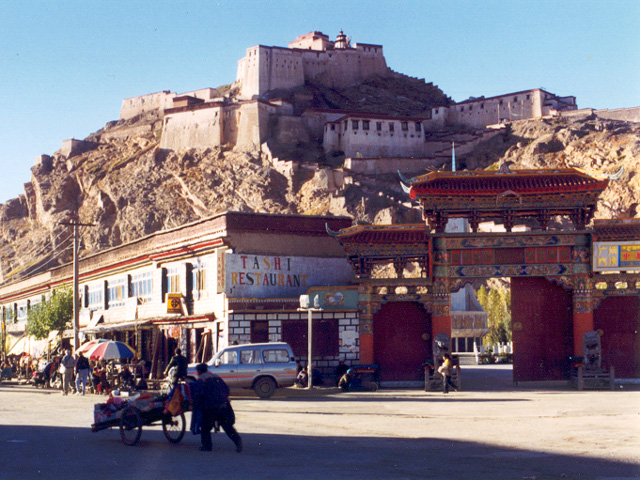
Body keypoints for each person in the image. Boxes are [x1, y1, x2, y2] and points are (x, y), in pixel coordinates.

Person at [192, 363, 242, 453]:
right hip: (223, 405)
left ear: (198, 371)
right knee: (227, 426)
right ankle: (238, 441)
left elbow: (198, 394)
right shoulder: (216, 376)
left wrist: (195, 405)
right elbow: (227, 389)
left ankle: (207, 446)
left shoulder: (201, 379)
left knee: (205, 427)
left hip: (210, 406)